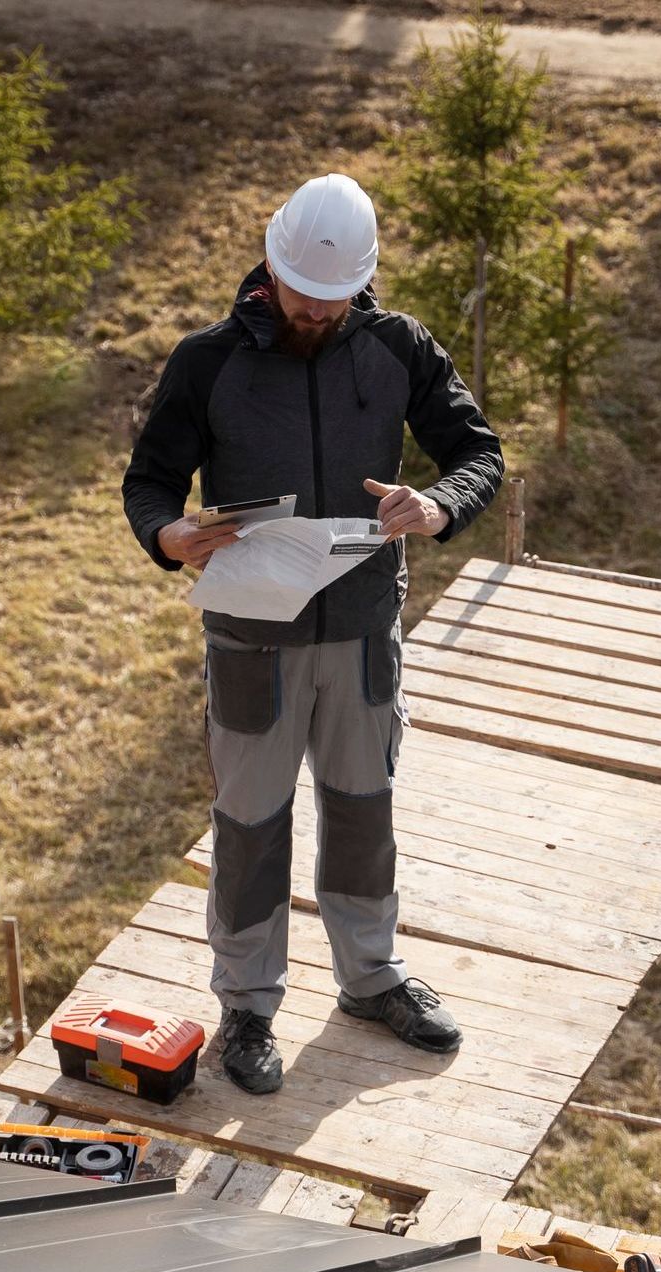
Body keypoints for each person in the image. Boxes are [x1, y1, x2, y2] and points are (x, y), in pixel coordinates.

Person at [122, 171, 504, 1096]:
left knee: (363, 810)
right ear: (272, 263)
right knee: (251, 825)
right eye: (299, 292)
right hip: (252, 637)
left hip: (364, 627)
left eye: (331, 299)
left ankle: (371, 980)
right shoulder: (207, 362)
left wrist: (437, 503)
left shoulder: (398, 349)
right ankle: (248, 1005)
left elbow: (478, 454)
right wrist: (170, 536)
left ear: (360, 286)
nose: (312, 309)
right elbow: (149, 484)